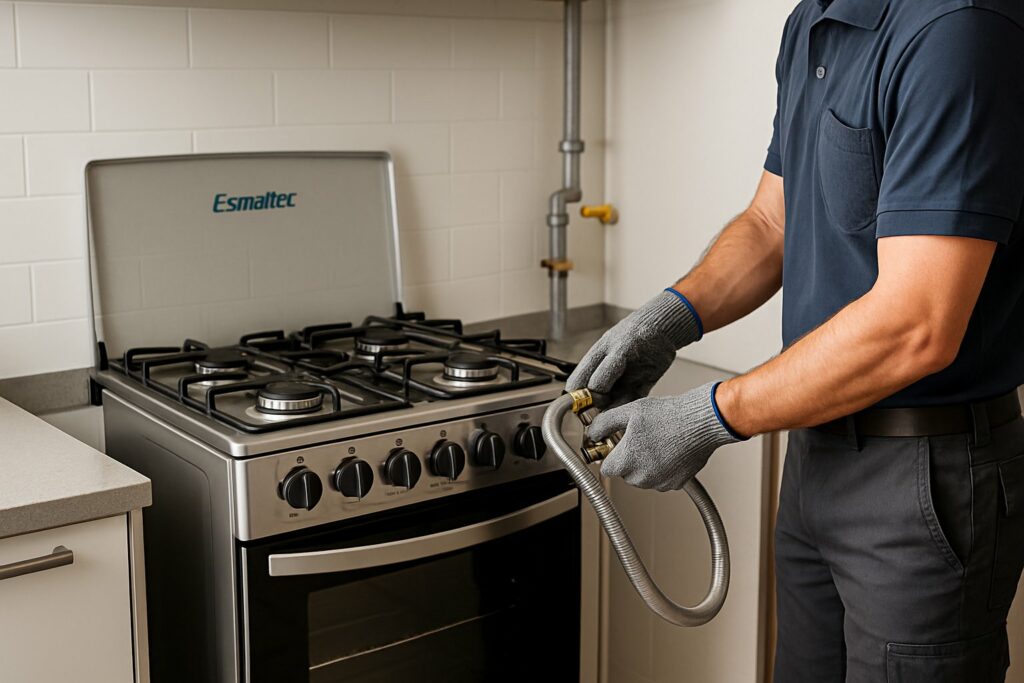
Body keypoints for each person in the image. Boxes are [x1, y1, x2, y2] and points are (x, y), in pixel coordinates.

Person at [567, 1, 1024, 680]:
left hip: (921, 478)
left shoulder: (958, 27)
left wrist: (707, 416)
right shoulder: (813, 18)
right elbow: (768, 221)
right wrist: (671, 315)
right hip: (815, 454)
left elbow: (917, 325)